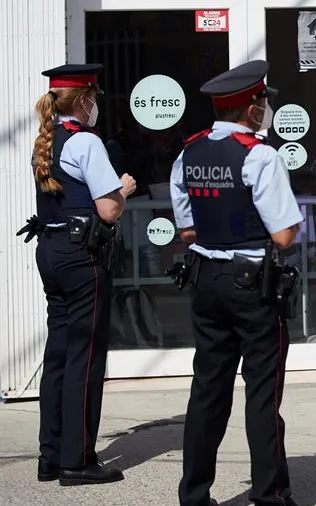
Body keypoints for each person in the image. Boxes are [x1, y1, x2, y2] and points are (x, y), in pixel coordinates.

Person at [170, 60, 303, 506]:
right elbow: (284, 235)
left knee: (208, 390)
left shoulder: (188, 151)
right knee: (262, 394)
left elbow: (186, 230)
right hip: (251, 284)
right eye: (262, 101)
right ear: (251, 107)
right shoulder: (259, 155)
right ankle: (270, 495)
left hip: (206, 278)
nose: (265, 108)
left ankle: (194, 495)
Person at [22, 63, 136, 486]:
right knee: (85, 358)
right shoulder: (85, 142)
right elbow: (107, 209)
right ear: (85, 99)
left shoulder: (43, 142)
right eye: (96, 98)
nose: (97, 106)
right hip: (80, 256)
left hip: (51, 251)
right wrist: (122, 189)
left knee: (58, 355)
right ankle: (78, 460)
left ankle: (50, 456)